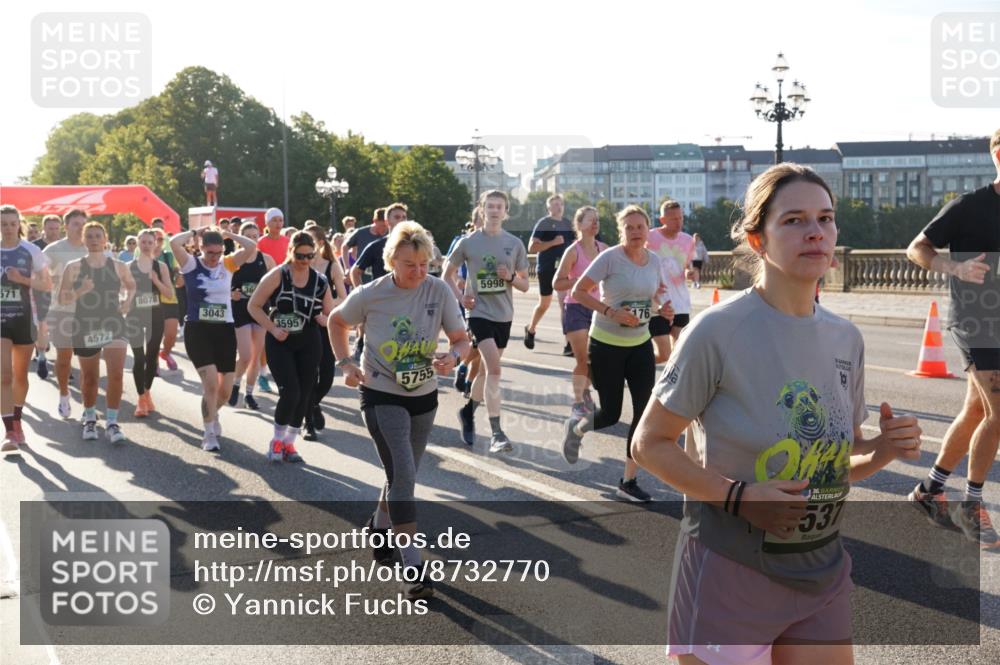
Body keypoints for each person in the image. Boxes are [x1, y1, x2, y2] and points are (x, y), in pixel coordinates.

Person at [631, 163, 922, 664]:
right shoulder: (717, 331)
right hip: (730, 571)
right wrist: (738, 497)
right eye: (793, 220)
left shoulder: (845, 338)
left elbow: (833, 463)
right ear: (757, 240)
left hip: (821, 571)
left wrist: (883, 449)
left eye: (825, 218)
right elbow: (648, 444)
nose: (815, 231)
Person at [328, 221, 470, 599]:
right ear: (391, 260)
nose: (419, 272)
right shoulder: (371, 294)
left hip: (423, 395)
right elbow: (336, 321)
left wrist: (453, 357)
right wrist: (346, 363)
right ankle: (412, 566)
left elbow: (461, 340)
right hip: (381, 393)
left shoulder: (438, 290)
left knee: (400, 474)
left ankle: (379, 527)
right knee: (404, 474)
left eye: (424, 264)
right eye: (410, 265)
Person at [906, 128, 1000, 550]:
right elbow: (917, 248)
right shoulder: (968, 206)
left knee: (977, 409)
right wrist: (955, 268)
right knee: (998, 413)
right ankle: (971, 504)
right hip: (976, 320)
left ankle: (930, 489)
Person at [561, 205, 672, 502]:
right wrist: (611, 312)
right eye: (629, 227)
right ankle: (578, 429)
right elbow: (579, 291)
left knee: (643, 413)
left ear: (648, 230)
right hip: (606, 344)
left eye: (640, 227)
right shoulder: (609, 258)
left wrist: (663, 309)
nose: (635, 232)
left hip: (640, 344)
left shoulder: (654, 260)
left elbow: (652, 296)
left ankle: (628, 480)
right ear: (621, 231)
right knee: (610, 413)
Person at [444, 190, 529, 453]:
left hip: (504, 315)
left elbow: (525, 284)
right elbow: (447, 274)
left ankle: (467, 412)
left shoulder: (514, 243)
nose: (494, 211)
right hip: (478, 314)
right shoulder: (468, 242)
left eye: (499, 206)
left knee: (484, 372)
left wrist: (509, 277)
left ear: (506, 211)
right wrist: (462, 298)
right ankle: (497, 433)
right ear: (482, 209)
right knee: (494, 369)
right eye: (490, 206)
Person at [248, 231, 335, 463]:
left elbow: (330, 314)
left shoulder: (320, 281)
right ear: (291, 252)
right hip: (280, 342)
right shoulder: (278, 275)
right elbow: (253, 306)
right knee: (290, 392)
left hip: (309, 341)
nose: (305, 261)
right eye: (300, 256)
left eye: (309, 256)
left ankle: (289, 443)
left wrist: (325, 319)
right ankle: (276, 440)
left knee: (305, 394)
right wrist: (272, 328)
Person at [170, 226, 256, 451]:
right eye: (210, 253)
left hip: (224, 330)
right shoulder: (191, 264)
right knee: (210, 384)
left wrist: (230, 235)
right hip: (198, 330)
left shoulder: (227, 264)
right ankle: (208, 434)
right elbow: (173, 243)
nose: (214, 257)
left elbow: (251, 247)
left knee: (224, 392)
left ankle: (213, 412)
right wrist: (194, 231)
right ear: (201, 248)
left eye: (219, 253)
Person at [59, 221, 136, 443]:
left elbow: (132, 286)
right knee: (91, 377)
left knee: (116, 374)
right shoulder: (74, 266)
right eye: (89, 236)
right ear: (83, 240)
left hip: (113, 323)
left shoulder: (119, 265)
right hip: (86, 324)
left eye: (97, 236)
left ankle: (112, 422)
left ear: (105, 239)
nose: (94, 240)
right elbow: (62, 298)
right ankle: (90, 417)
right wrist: (81, 290)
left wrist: (127, 302)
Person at [1, 206, 51, 451]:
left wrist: (21, 279)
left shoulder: (31, 250)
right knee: (4, 376)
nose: (8, 228)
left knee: (20, 376)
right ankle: (9, 432)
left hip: (25, 319)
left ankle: (18, 422)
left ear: (18, 224)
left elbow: (47, 284)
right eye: (3, 224)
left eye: (12, 223)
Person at [552, 206, 606, 419]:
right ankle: (578, 402)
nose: (595, 223)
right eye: (591, 220)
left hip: (598, 309)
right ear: (579, 224)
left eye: (597, 220)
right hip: (576, 308)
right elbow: (557, 283)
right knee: (583, 359)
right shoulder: (573, 251)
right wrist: (576, 282)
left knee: (597, 360)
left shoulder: (604, 249)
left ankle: (585, 391)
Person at [43, 209, 90, 419]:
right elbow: (39, 275)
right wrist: (52, 282)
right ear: (66, 226)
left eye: (83, 224)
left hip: (90, 313)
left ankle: (88, 407)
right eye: (75, 224)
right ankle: (64, 394)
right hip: (61, 311)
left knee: (88, 363)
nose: (80, 228)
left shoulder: (93, 247)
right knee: (64, 359)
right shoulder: (54, 250)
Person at [304, 224, 347, 440]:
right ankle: (308, 424)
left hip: (325, 326)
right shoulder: (298, 265)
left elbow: (343, 298)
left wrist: (326, 312)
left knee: (327, 377)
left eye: (311, 241)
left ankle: (312, 404)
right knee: (308, 375)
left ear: (320, 243)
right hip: (303, 328)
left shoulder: (331, 266)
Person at [228, 220, 276, 412]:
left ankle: (249, 394)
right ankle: (235, 384)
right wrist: (231, 293)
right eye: (247, 237)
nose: (252, 240)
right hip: (240, 309)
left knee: (256, 356)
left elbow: (276, 284)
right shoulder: (234, 260)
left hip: (260, 310)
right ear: (240, 239)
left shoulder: (267, 259)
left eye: (255, 237)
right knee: (245, 354)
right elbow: (222, 284)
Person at [127, 230, 173, 417]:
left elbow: (169, 293)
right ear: (138, 243)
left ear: (155, 244)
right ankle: (140, 399)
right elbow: (120, 292)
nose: (146, 245)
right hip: (135, 316)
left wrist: (156, 281)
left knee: (151, 356)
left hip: (155, 314)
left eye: (150, 242)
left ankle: (146, 391)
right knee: (139, 358)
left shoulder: (160, 267)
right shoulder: (128, 267)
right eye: (143, 242)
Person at [525, 194, 575, 355]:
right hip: (546, 269)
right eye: (555, 204)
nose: (559, 207)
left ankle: (569, 343)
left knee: (564, 303)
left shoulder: (568, 224)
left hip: (563, 269)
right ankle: (531, 329)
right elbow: (532, 248)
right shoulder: (544, 223)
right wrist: (553, 242)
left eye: (561, 204)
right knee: (544, 304)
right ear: (549, 208)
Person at [646, 199, 695, 364]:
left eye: (681, 218)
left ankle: (671, 380)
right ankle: (635, 367)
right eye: (674, 219)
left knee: (679, 353)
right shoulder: (649, 237)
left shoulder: (688, 240)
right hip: (657, 304)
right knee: (665, 354)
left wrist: (690, 273)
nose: (678, 222)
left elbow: (687, 266)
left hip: (681, 304)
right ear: (662, 220)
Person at [32, 214, 62, 379]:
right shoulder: (35, 247)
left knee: (62, 329)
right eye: (50, 228)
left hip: (62, 293)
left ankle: (63, 365)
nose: (54, 231)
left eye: (57, 228)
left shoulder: (64, 246)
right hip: (41, 292)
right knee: (42, 326)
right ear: (43, 228)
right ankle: (42, 357)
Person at [351, 203, 409, 287]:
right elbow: (355, 272)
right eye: (397, 217)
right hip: (382, 294)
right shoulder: (376, 246)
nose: (401, 220)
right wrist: (363, 294)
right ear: (387, 221)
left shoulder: (414, 244)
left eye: (404, 217)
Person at [346, 208, 390, 286]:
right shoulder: (360, 233)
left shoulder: (390, 236)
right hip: (361, 278)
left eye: (386, 226)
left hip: (380, 281)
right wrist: (347, 267)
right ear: (374, 221)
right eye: (382, 226)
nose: (385, 229)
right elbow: (344, 247)